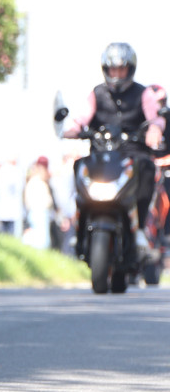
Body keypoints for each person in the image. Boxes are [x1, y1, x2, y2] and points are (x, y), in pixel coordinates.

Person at [62, 42, 164, 251]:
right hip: (102, 152)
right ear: (106, 69)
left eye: (121, 68)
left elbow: (156, 119)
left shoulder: (143, 93)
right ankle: (79, 225)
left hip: (133, 153)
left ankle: (140, 229)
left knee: (146, 168)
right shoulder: (96, 93)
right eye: (113, 69)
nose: (117, 73)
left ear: (130, 69)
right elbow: (82, 118)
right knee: (79, 166)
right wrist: (73, 129)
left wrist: (155, 130)